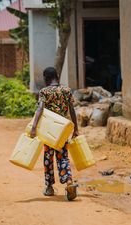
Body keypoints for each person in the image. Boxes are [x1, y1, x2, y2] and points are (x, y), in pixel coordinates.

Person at [30, 67, 79, 201]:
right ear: (57, 76)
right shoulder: (66, 90)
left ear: (46, 78)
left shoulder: (44, 92)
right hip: (63, 130)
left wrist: (34, 127)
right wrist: (76, 128)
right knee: (63, 157)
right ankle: (69, 181)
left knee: (48, 158)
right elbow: (72, 110)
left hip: (49, 131)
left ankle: (50, 187)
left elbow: (40, 108)